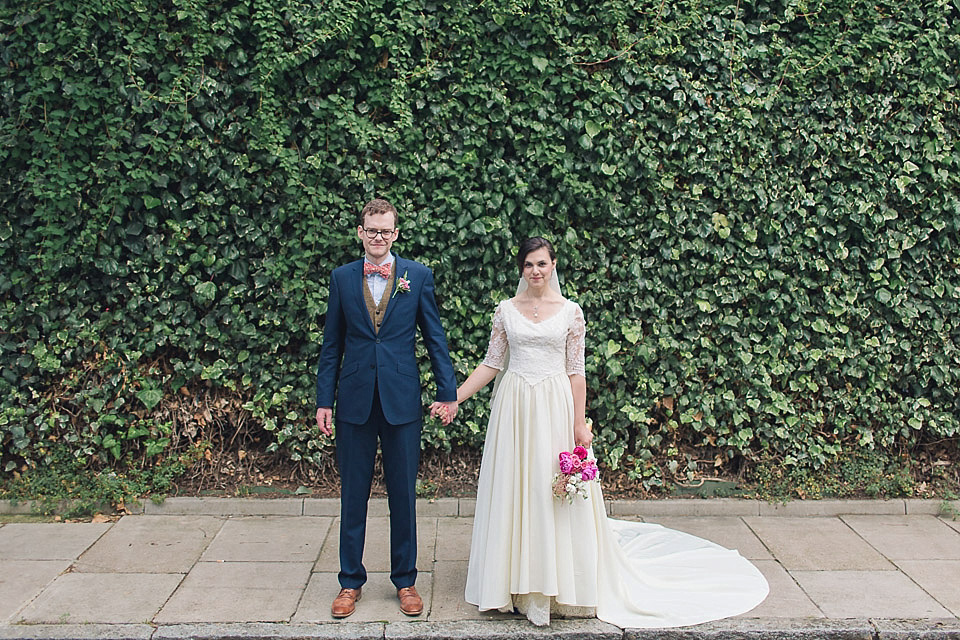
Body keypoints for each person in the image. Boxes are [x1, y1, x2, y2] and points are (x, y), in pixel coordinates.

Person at [449, 237, 769, 627]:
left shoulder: (570, 312)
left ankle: (555, 585)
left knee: (552, 492)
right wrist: (455, 399)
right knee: (517, 488)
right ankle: (511, 584)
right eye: (529, 264)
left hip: (554, 405)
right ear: (521, 269)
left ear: (553, 266)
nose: (536, 271)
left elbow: (576, 372)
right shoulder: (506, 311)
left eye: (542, 264)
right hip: (514, 409)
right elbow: (491, 364)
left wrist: (579, 423)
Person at [315, 198, 458, 619]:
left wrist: (447, 392)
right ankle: (349, 582)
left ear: (396, 234)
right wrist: (325, 400)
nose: (378, 237)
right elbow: (331, 345)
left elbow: (435, 338)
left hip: (401, 401)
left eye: (386, 231)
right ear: (360, 232)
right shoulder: (342, 279)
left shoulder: (417, 276)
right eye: (371, 230)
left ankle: (406, 580)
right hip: (354, 401)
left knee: (403, 495)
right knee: (352, 495)